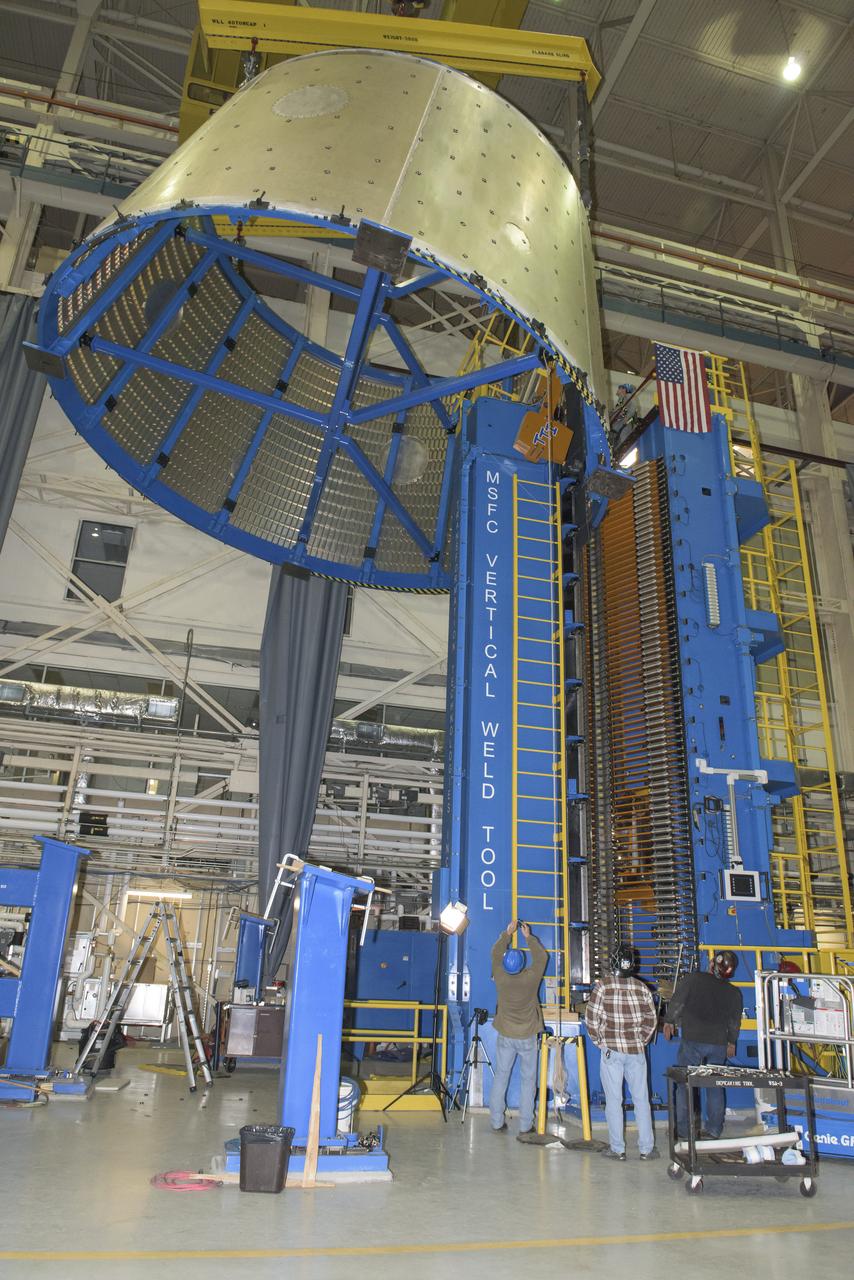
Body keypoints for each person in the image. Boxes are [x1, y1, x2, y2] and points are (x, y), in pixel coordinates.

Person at [585, 943, 659, 1161]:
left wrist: (600, 1042)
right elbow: (651, 1019)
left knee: (614, 1100)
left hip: (612, 1051)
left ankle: (618, 1149)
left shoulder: (603, 987)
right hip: (636, 1051)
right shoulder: (642, 988)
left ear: (613, 962)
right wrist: (640, 1040)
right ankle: (647, 1149)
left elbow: (591, 1018)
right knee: (641, 1100)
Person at [663, 949, 743, 1140]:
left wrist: (669, 1021)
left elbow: (678, 1001)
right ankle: (714, 1130)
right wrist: (731, 1042)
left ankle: (684, 1131)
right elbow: (734, 1022)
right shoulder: (734, 993)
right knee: (715, 1086)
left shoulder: (694, 979)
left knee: (685, 1085)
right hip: (718, 1044)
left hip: (693, 1040)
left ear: (712, 964)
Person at [489, 920, 548, 1141]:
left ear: (505, 964)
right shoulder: (531, 978)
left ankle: (497, 1122)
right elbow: (542, 958)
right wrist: (528, 937)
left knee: (501, 1077)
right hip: (528, 1036)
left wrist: (507, 934)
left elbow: (495, 953)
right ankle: (525, 1126)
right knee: (528, 1080)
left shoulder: (500, 976)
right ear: (523, 964)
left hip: (505, 1034)